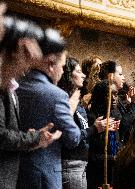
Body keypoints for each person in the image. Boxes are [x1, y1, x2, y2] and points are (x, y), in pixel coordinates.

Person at [0, 14, 61, 189]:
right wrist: (34, 137)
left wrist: (35, 139)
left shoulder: (10, 85)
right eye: (26, 58)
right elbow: (2, 135)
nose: (27, 67)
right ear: (15, 51)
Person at [16, 28, 81, 189]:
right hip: (44, 177)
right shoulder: (57, 95)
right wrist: (70, 111)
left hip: (15, 175)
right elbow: (73, 138)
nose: (61, 71)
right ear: (52, 64)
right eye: (62, 66)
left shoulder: (14, 87)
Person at [57, 57, 89, 189]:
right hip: (69, 163)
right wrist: (94, 129)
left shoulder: (78, 102)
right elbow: (69, 135)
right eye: (79, 71)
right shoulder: (65, 100)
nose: (84, 75)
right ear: (69, 75)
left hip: (81, 163)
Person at [87, 80, 120, 189]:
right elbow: (90, 154)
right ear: (101, 96)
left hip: (113, 173)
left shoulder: (114, 116)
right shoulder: (92, 118)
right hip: (97, 174)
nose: (114, 98)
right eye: (109, 94)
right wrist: (112, 158)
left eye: (116, 94)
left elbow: (116, 144)